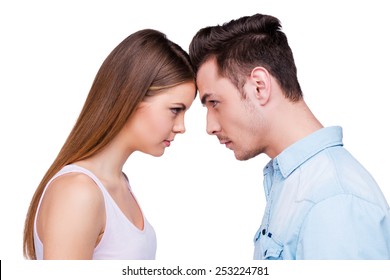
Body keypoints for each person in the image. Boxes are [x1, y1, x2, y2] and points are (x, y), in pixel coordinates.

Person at [189, 14, 390, 259]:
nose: (209, 126)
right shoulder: (298, 184)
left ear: (259, 87)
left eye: (214, 102)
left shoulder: (332, 201)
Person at [23, 29, 196, 260]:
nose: (181, 127)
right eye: (175, 110)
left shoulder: (119, 185)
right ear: (132, 95)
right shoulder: (78, 192)